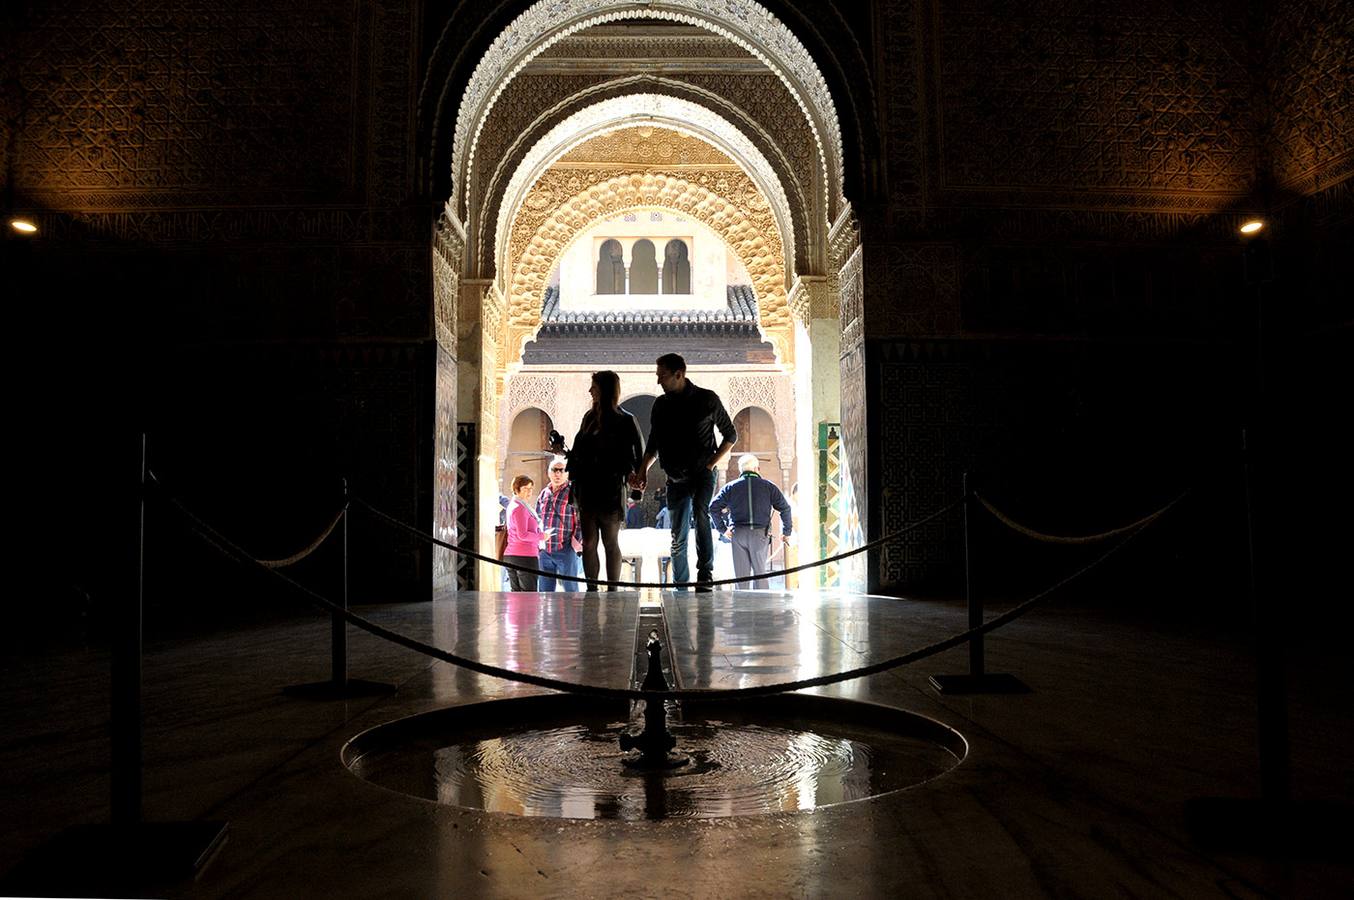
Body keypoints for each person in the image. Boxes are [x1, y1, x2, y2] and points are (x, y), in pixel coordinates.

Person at [632, 353, 737, 592]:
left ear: (678, 374)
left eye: (662, 376)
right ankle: (681, 583)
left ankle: (704, 576)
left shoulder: (707, 399)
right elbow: (653, 443)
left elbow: (731, 435)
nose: (658, 381)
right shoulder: (661, 405)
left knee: (701, 515)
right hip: (675, 478)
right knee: (677, 532)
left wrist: (711, 464)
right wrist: (643, 470)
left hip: (702, 474)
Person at [563, 370, 644, 591]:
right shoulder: (589, 419)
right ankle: (592, 589)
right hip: (587, 488)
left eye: (595, 387)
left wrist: (637, 482)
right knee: (589, 542)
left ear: (605, 390)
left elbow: (639, 454)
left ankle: (612, 590)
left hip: (611, 488)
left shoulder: (625, 420)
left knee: (610, 541)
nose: (590, 391)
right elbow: (579, 452)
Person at [709, 454, 793, 590]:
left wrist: (723, 529)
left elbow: (713, 508)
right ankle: (761, 603)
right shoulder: (768, 486)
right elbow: (785, 508)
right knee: (760, 575)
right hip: (760, 535)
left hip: (738, 534)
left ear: (741, 470)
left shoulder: (730, 487)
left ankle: (742, 604)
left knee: (741, 578)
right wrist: (786, 531)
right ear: (756, 469)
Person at [535, 456, 582, 590]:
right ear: (549, 472)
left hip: (565, 548)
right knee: (545, 594)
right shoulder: (544, 493)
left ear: (567, 474)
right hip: (545, 550)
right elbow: (537, 519)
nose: (558, 474)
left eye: (562, 470)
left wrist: (574, 544)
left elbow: (581, 521)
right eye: (554, 470)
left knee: (571, 592)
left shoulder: (573, 492)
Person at [503, 474, 549, 591]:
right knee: (529, 596)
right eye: (525, 488)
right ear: (516, 489)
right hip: (525, 556)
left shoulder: (515, 505)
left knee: (516, 595)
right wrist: (542, 536)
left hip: (513, 555)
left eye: (530, 488)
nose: (529, 492)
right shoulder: (519, 508)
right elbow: (522, 535)